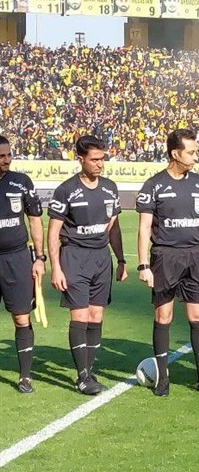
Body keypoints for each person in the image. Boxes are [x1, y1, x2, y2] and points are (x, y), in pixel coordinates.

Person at [136, 128, 199, 397]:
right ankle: (162, 381)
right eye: (191, 152)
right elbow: (144, 227)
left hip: (193, 256)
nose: (196, 156)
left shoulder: (198, 183)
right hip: (164, 257)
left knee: (198, 317)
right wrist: (144, 265)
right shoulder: (154, 185)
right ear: (175, 153)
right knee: (164, 316)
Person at [48, 136, 127, 395]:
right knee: (80, 316)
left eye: (102, 158)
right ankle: (82, 377)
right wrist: (56, 267)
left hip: (101, 258)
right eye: (94, 159)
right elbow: (54, 232)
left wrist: (122, 259)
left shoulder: (110, 188)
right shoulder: (66, 190)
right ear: (79, 159)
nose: (99, 164)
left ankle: (89, 372)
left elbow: (113, 229)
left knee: (96, 316)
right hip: (74, 257)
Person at [0, 135, 45, 394]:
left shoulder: (21, 183)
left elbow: (35, 219)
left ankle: (25, 376)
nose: (6, 160)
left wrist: (39, 258)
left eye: (8, 155)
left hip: (16, 258)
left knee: (21, 317)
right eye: (1, 156)